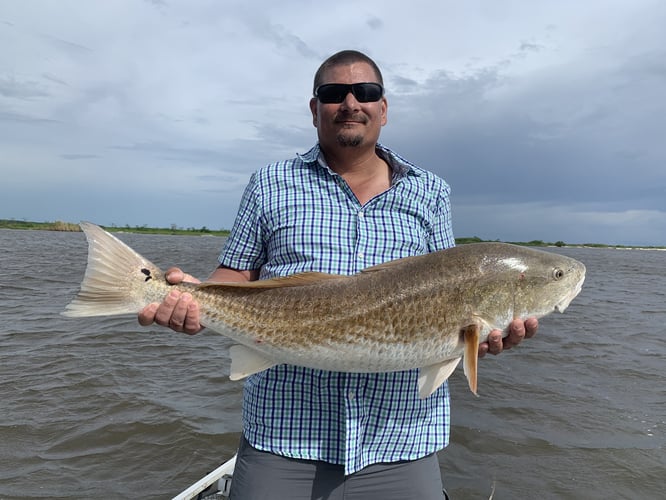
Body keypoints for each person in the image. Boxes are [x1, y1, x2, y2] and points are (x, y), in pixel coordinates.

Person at [139, 50, 538, 500]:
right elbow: (234, 277)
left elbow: (448, 296)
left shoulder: (431, 192)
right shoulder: (269, 183)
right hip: (283, 434)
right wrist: (191, 300)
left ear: (383, 109)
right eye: (334, 94)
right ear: (315, 110)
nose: (351, 103)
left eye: (366, 93)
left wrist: (479, 339)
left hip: (402, 438)